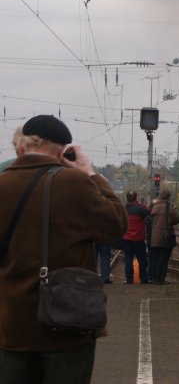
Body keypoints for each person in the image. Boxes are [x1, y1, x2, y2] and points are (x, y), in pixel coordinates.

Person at [0, 115, 127, 384]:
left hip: (11, 328)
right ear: (62, 152)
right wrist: (90, 172)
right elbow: (116, 225)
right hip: (67, 326)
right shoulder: (75, 183)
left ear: (21, 146)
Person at [149, 189, 179, 284]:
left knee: (155, 258)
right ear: (168, 197)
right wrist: (174, 210)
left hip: (154, 237)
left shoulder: (154, 207)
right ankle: (160, 279)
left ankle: (153, 278)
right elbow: (177, 219)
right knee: (163, 259)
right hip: (165, 238)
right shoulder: (169, 208)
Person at [122, 191, 150, 284]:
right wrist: (140, 204)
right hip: (138, 238)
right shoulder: (140, 208)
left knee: (128, 259)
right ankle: (144, 278)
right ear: (135, 198)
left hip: (126, 238)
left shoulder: (123, 209)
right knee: (141, 259)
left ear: (127, 198)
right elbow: (149, 211)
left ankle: (129, 279)